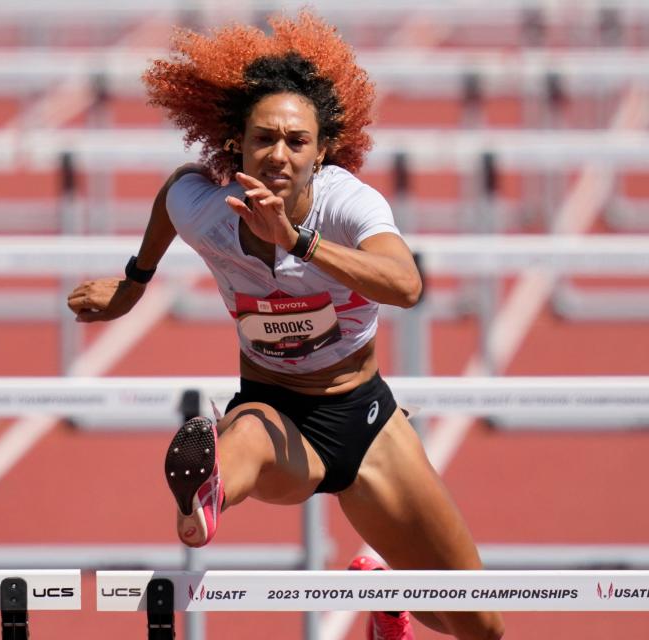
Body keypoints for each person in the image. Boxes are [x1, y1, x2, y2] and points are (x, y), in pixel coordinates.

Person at [67, 11, 504, 640]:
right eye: (263, 138)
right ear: (235, 146)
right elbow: (172, 194)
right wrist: (133, 283)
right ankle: (207, 487)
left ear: (322, 150)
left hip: (363, 418)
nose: (279, 154)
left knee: (482, 625)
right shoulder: (207, 209)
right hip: (272, 410)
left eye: (296, 141)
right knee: (242, 437)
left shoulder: (348, 204)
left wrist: (299, 241)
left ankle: (385, 599)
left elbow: (406, 285)